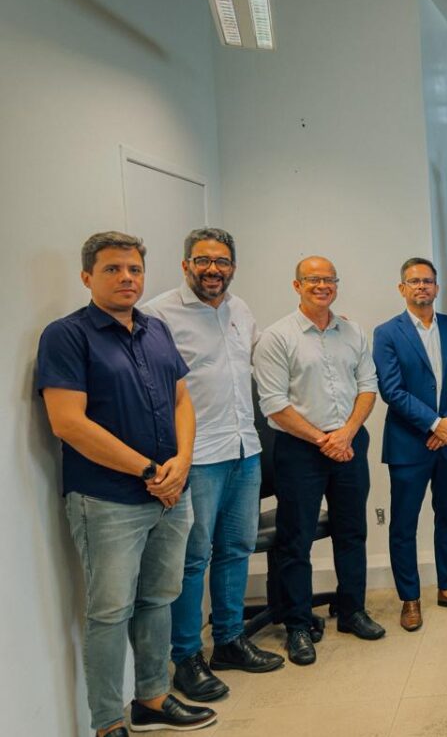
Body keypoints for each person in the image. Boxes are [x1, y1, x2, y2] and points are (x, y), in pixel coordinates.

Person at [37, 231, 216, 736]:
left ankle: (152, 698)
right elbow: (68, 423)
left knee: (158, 598)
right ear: (87, 277)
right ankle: (107, 722)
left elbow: (182, 400)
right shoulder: (67, 336)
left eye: (134, 269)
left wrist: (182, 462)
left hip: (170, 494)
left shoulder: (155, 330)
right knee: (110, 612)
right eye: (113, 269)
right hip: (107, 500)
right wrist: (148, 471)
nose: (126, 278)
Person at [142, 228, 283, 702]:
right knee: (192, 559)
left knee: (236, 549)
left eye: (222, 261)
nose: (212, 270)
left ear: (233, 267)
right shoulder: (158, 315)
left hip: (244, 449)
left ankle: (228, 641)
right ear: (185, 265)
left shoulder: (240, 310)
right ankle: (186, 657)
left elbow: (262, 357)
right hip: (196, 458)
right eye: (202, 261)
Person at [253, 256, 382, 666]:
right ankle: (297, 626)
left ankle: (352, 610)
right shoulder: (277, 337)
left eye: (329, 279)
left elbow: (368, 386)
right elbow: (273, 404)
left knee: (352, 531)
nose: (322, 286)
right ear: (297, 286)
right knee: (296, 539)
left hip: (349, 443)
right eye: (313, 279)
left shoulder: (353, 331)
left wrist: (346, 434)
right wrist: (323, 439)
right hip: (299, 450)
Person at [374, 257, 447, 632]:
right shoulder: (387, 333)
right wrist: (434, 424)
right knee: (404, 524)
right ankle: (410, 598)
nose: (421, 286)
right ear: (402, 288)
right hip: (408, 444)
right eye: (414, 281)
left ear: (437, 287)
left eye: (427, 281)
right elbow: (392, 390)